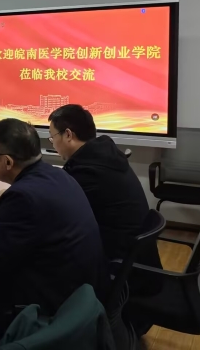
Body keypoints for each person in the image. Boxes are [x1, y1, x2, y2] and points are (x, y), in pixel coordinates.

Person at [0, 118, 107, 334]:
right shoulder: (56, 174)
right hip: (79, 295)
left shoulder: (21, 196)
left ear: (7, 162)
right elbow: (34, 223)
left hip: (46, 308)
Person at [47, 104, 162, 277]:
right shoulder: (104, 156)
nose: (53, 142)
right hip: (135, 260)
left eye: (52, 136)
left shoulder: (88, 171)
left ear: (68, 135)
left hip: (121, 270)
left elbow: (57, 214)